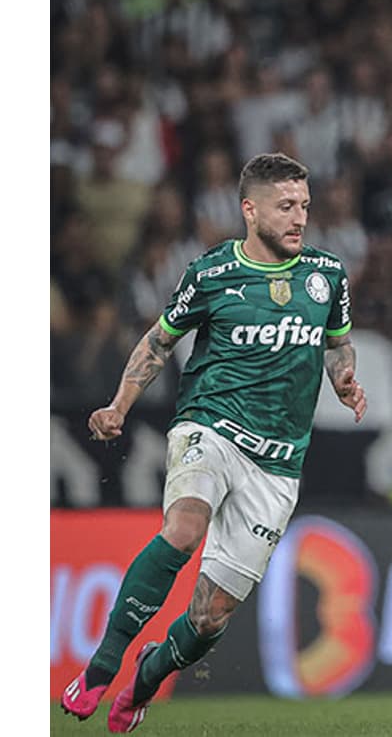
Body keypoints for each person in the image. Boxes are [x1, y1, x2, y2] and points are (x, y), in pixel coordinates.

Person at [60, 153, 367, 733]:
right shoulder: (212, 273)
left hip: (278, 462)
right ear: (250, 210)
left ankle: (144, 678)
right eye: (285, 207)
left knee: (209, 616)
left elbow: (337, 344)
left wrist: (344, 378)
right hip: (211, 426)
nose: (299, 217)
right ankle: (101, 665)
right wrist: (118, 406)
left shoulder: (328, 273)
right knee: (184, 527)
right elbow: (158, 343)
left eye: (304, 205)